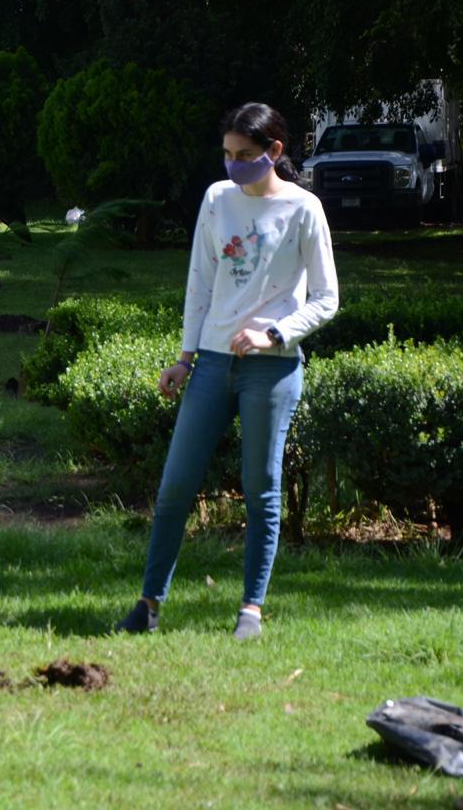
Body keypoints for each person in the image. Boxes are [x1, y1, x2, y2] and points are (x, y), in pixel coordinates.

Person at [115, 102, 339, 640]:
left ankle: (250, 612)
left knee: (261, 489)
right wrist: (185, 358)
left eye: (244, 155)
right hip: (213, 363)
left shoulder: (304, 208)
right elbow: (201, 281)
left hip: (272, 369)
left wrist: (274, 334)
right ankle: (148, 605)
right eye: (227, 154)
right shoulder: (217, 200)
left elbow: (327, 298)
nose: (233, 165)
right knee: (175, 487)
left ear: (274, 151)